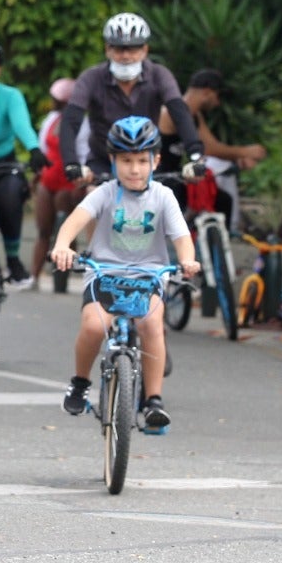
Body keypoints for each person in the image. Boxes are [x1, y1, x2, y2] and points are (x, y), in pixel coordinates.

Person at [50, 116, 200, 427]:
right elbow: (75, 221)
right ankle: (79, 382)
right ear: (113, 161)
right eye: (126, 160)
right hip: (104, 271)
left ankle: (153, 400)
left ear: (156, 161)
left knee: (151, 325)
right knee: (94, 326)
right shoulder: (105, 193)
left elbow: (182, 237)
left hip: (149, 274)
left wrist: (188, 260)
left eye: (142, 161)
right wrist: (63, 245)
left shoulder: (163, 196)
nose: (134, 169)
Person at [59, 12, 204, 183]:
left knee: (162, 203)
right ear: (107, 49)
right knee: (94, 201)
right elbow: (71, 119)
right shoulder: (91, 78)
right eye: (119, 49)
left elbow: (179, 113)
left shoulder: (160, 75)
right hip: (103, 163)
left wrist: (195, 154)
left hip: (144, 164)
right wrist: (71, 163)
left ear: (145, 50)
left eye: (133, 48)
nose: (126, 56)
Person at [158, 68, 267, 230]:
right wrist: (246, 152)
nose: (218, 103)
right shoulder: (170, 113)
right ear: (207, 92)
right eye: (217, 96)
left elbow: (212, 146)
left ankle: (220, 250)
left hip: (179, 176)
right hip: (161, 178)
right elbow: (208, 149)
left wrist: (238, 159)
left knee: (223, 201)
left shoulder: (195, 116)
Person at [0, 38, 47, 290]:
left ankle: (12, 258)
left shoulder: (11, 96)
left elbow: (22, 125)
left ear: (0, 68)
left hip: (2, 164)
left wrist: (33, 148)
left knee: (10, 197)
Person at [29, 77, 88, 290]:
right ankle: (33, 276)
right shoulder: (51, 119)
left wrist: (80, 183)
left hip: (69, 181)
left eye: (56, 99)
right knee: (43, 228)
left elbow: (83, 154)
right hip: (49, 177)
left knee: (65, 226)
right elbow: (43, 148)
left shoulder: (82, 122)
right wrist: (35, 177)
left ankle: (62, 275)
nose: (53, 102)